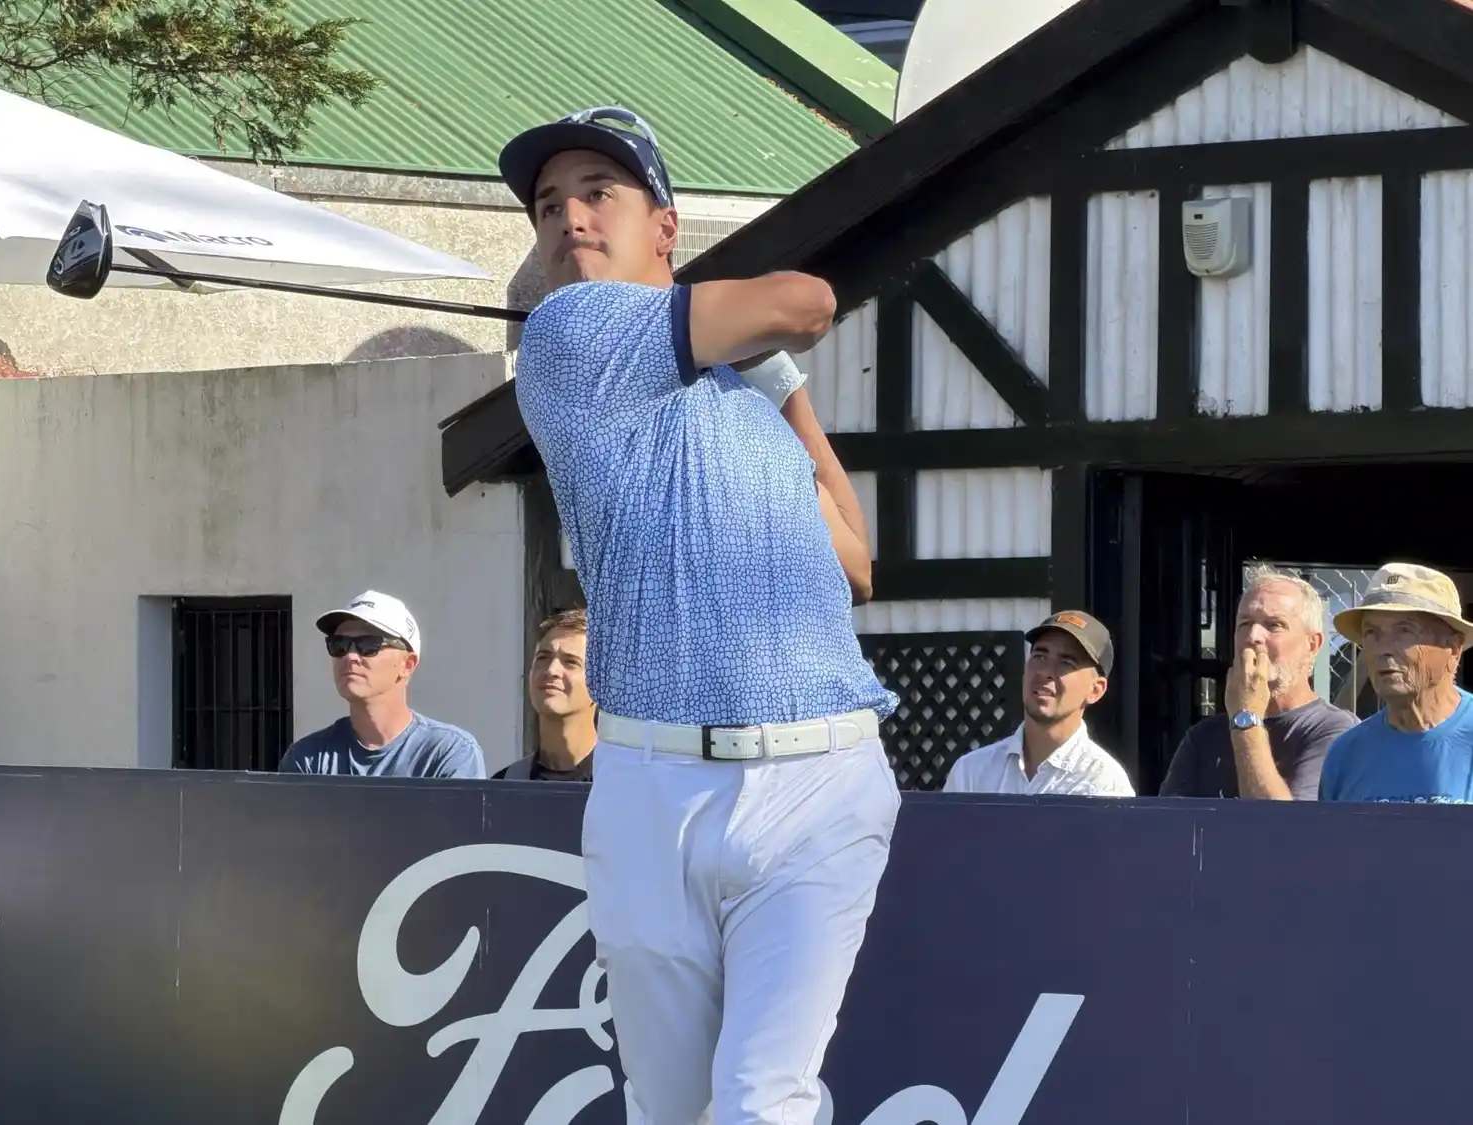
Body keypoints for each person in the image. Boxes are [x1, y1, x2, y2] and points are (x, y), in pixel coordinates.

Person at [498, 105, 898, 1125]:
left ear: (664, 227)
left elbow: (855, 559)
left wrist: (777, 390)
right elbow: (805, 299)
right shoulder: (566, 335)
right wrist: (766, 339)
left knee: (762, 1101)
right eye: (550, 205)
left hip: (820, 780)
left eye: (599, 194)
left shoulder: (737, 397)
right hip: (652, 784)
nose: (569, 218)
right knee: (674, 1111)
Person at [1160, 567, 1356, 800]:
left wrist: (1246, 716)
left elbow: (1279, 827)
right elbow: (1168, 827)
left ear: (1312, 645)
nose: (1253, 636)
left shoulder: (1336, 732)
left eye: (1274, 625)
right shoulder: (1203, 738)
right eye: (1244, 624)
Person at [278, 590, 486, 779]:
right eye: (338, 645)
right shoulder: (306, 758)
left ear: (407, 664)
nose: (350, 656)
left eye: (369, 645)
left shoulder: (448, 753)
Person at [1319, 563, 1473, 803]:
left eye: (1405, 631)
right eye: (1371, 633)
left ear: (1453, 649)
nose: (1383, 649)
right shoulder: (1346, 754)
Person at [944, 611, 1133, 796]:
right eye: (1039, 656)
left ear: (1095, 690)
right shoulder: (969, 773)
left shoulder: (1105, 785)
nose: (1044, 671)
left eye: (1067, 662)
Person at [494, 608, 597, 781]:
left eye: (571, 662)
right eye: (543, 658)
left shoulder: (623, 786)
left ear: (600, 682)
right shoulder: (505, 785)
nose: (551, 670)